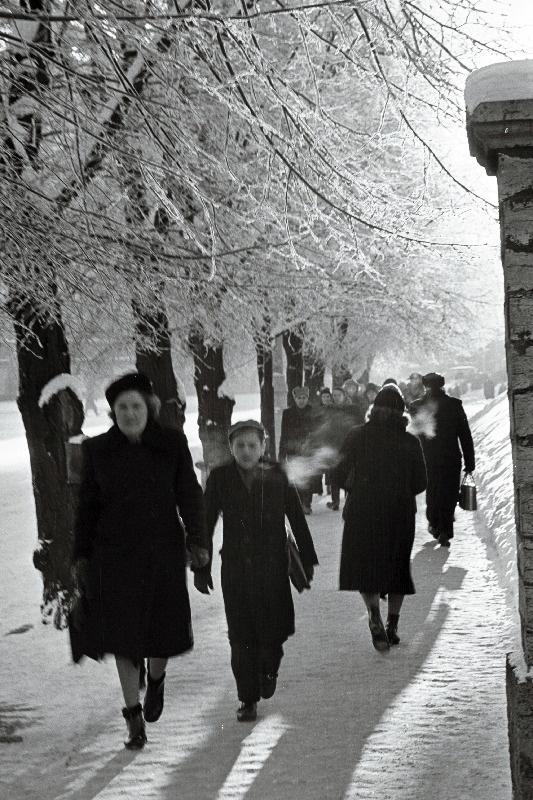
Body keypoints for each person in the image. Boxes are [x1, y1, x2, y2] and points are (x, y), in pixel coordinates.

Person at [69, 372, 208, 750]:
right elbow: (87, 510)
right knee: (125, 640)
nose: (130, 413)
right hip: (113, 559)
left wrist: (198, 543)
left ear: (149, 408)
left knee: (162, 634)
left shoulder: (172, 444)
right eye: (122, 407)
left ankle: (157, 680)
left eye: (136, 406)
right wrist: (81, 557)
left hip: (162, 553)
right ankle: (133, 718)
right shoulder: (98, 451)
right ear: (113, 412)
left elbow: (190, 497)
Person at [195, 420, 318, 722]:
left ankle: (270, 668)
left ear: (263, 447)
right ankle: (247, 699)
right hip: (236, 569)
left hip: (273, 567)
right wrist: (202, 566)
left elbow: (296, 516)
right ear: (231, 448)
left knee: (273, 631)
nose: (246, 451)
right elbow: (205, 522)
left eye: (252, 445)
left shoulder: (277, 474)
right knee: (240, 635)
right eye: (240, 446)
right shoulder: (220, 478)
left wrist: (308, 557)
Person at [336, 386, 427, 651]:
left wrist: (355, 488)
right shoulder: (410, 442)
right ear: (402, 413)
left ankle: (373, 613)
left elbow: (337, 473)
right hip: (398, 512)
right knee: (397, 567)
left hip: (363, 511)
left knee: (367, 567)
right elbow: (421, 483)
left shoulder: (356, 436)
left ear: (373, 409)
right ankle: (392, 625)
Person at [410, 372, 475, 548]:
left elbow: (413, 436)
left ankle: (435, 524)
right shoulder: (454, 405)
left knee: (433, 492)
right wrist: (470, 462)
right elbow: (465, 435)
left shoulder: (417, 406)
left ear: (425, 386)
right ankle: (445, 529)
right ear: (442, 385)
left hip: (427, 458)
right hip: (451, 457)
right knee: (449, 493)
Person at [278, 386, 316, 513]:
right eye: (299, 398)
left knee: (307, 478)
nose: (301, 400)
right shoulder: (287, 413)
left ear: (307, 398)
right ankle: (299, 503)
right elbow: (284, 434)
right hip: (293, 450)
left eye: (304, 398)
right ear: (295, 399)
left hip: (308, 450)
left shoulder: (312, 411)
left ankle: (307, 504)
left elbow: (316, 432)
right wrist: (282, 454)